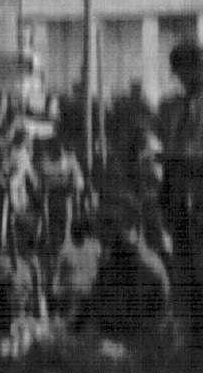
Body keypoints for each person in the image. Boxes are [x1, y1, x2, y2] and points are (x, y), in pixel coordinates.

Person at [76, 132, 178, 349]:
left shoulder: (162, 200)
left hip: (146, 331)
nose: (158, 166)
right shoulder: (111, 265)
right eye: (152, 159)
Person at [157, 40, 203, 346]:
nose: (181, 80)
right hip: (178, 194)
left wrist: (178, 159)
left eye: (184, 73)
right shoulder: (179, 105)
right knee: (186, 266)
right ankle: (196, 333)